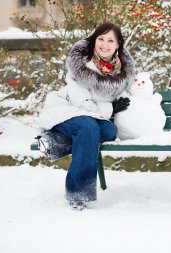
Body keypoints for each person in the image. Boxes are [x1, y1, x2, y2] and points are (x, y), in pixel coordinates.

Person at [38, 22, 135, 210]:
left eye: (110, 40)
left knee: (109, 130)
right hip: (66, 110)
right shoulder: (82, 64)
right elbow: (81, 102)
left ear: (118, 45)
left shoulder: (121, 72)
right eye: (101, 39)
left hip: (94, 118)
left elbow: (128, 95)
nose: (104, 44)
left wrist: (114, 108)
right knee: (88, 127)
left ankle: (56, 143)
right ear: (94, 40)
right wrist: (110, 108)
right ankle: (78, 193)